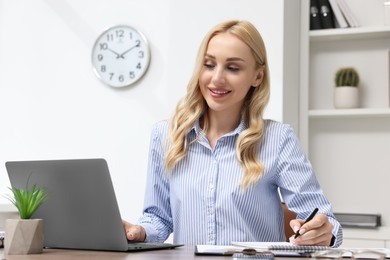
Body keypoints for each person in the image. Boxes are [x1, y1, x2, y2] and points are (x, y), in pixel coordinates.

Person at [123, 19, 342, 247]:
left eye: (233, 68)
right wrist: (139, 231)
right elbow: (157, 218)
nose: (217, 78)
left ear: (257, 76)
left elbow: (325, 221)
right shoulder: (166, 136)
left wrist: (323, 232)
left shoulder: (278, 139)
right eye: (209, 65)